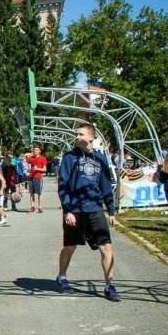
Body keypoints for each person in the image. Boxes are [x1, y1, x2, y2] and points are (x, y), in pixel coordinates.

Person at [55, 123, 119, 301]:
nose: (77, 136)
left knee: (106, 247)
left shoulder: (100, 159)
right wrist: (67, 210)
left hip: (95, 209)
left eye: (81, 134)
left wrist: (111, 211)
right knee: (70, 246)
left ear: (91, 137)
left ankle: (109, 286)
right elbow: (63, 186)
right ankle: (61, 277)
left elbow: (105, 186)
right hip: (74, 210)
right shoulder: (69, 158)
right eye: (76, 133)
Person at [28, 145, 48, 213]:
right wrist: (26, 171)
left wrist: (37, 169)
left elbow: (45, 169)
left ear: (39, 151)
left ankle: (40, 207)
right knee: (31, 193)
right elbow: (25, 164)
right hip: (31, 177)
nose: (35, 151)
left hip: (38, 177)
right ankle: (32, 207)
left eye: (36, 150)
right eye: (34, 150)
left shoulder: (43, 158)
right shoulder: (31, 158)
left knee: (39, 193)